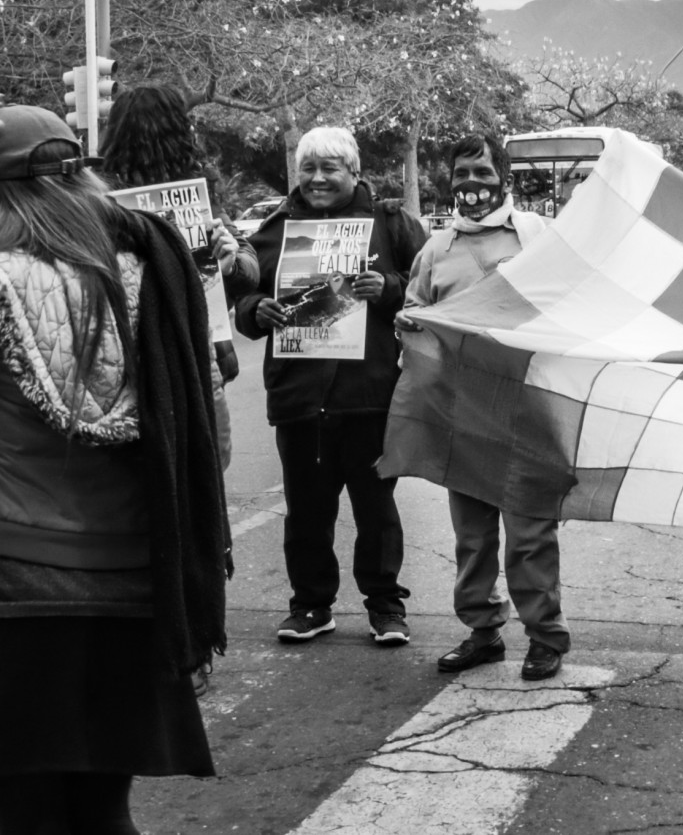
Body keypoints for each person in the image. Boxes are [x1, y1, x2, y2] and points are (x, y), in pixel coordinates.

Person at [0, 105, 228, 833]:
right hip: (136, 584)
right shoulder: (153, 274)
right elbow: (208, 440)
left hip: (17, 588)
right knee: (103, 810)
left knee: (20, 809)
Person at [233, 127, 426, 647]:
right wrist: (258, 310)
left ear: (354, 172)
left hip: (368, 396)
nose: (317, 179)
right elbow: (243, 306)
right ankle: (311, 606)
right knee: (307, 514)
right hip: (299, 399)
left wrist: (389, 290)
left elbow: (429, 294)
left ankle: (385, 606)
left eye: (330, 168)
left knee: (376, 511)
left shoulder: (391, 223)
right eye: (308, 169)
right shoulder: (275, 228)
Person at [397, 137, 570, 681]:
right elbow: (413, 308)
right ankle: (482, 632)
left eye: (481, 171)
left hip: (529, 407)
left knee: (529, 532)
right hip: (462, 413)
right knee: (473, 536)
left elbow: (571, 301)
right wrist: (408, 322)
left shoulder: (540, 237)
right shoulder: (435, 249)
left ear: (504, 179)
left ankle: (545, 637)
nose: (471, 184)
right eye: (460, 174)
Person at [99, 83, 258, 469]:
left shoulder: (197, 192)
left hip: (171, 357)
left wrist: (229, 260)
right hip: (162, 359)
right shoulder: (101, 200)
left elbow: (249, 271)